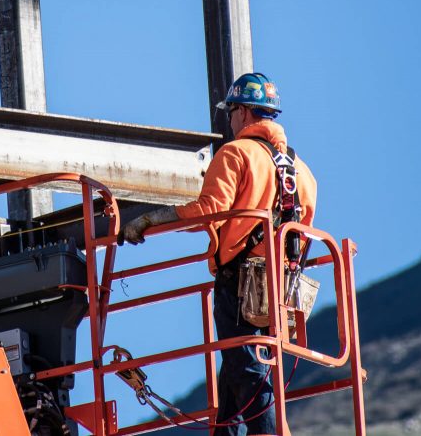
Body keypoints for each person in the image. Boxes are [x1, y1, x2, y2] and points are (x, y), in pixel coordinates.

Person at [122, 73, 316, 436]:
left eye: (230, 112)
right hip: (282, 289)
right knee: (238, 368)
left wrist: (151, 219)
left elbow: (209, 210)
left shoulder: (236, 154)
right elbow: (302, 232)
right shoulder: (303, 173)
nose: (228, 120)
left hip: (240, 286)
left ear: (243, 112)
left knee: (247, 370)